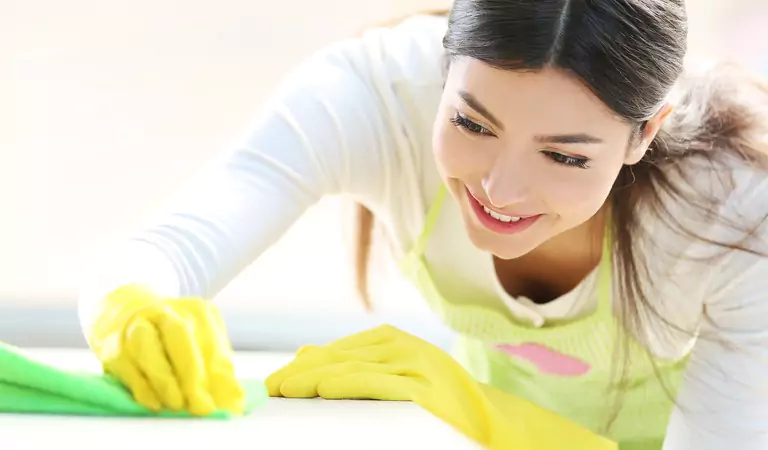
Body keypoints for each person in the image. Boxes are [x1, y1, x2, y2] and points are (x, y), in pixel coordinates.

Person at [77, 1, 768, 449]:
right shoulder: (377, 93)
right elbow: (165, 251)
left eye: (563, 155)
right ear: (444, 66)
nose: (501, 189)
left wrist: (487, 415)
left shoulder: (735, 214)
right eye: (471, 122)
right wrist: (129, 307)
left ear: (646, 134)